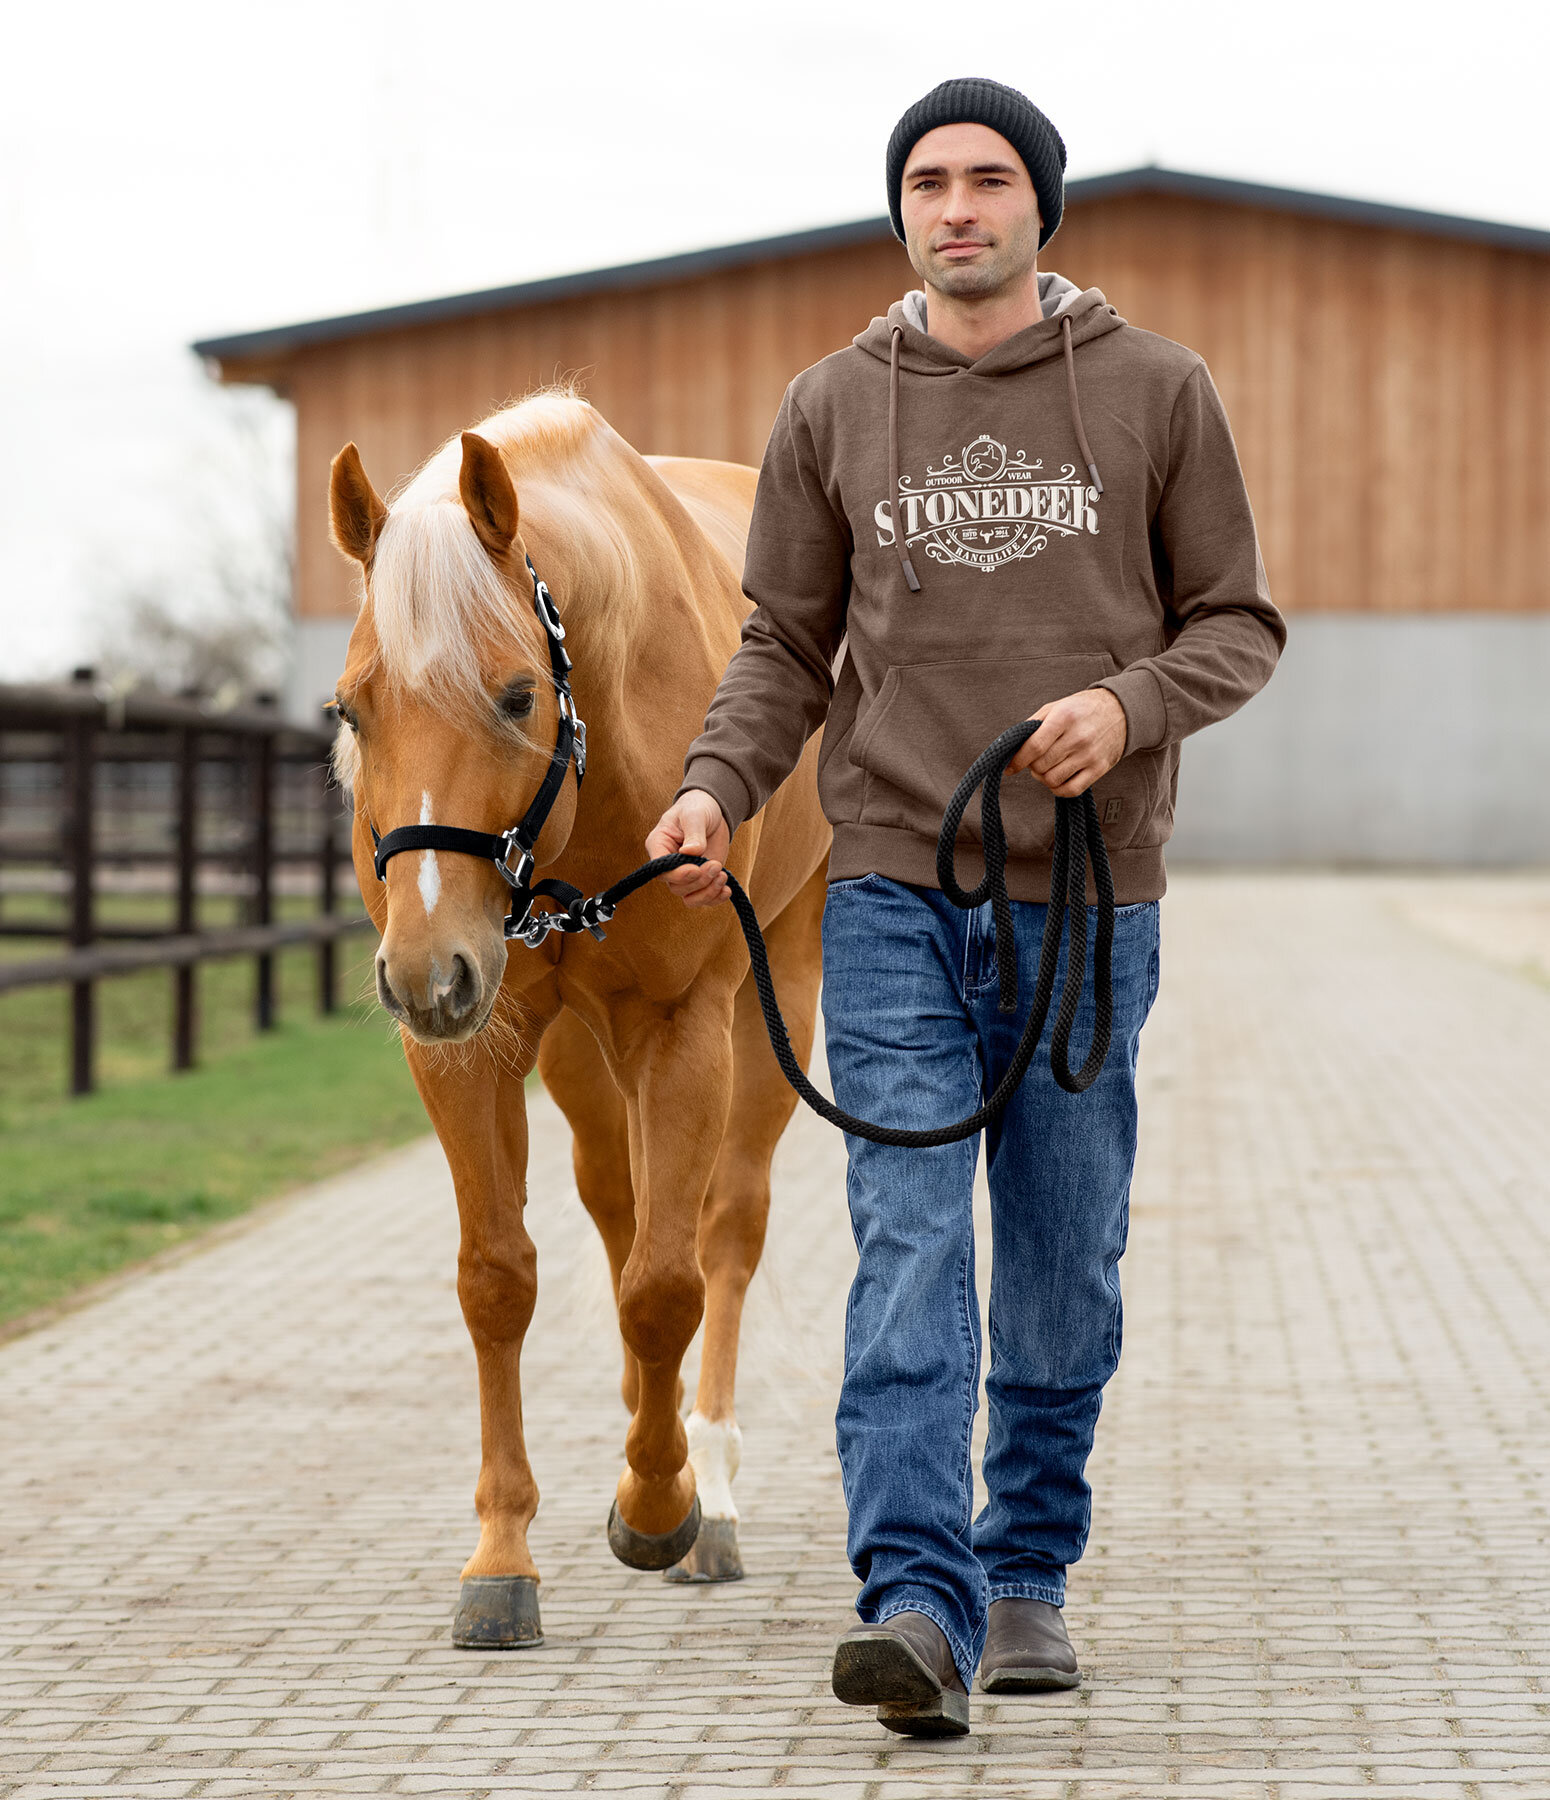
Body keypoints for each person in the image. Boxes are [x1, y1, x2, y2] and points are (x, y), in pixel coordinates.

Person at [645, 76, 1285, 1738]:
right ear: (900, 209)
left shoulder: (1154, 391)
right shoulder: (831, 405)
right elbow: (782, 644)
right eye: (926, 181)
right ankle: (914, 1604)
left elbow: (1236, 622)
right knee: (910, 1250)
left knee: (1063, 1258)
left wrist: (1130, 708)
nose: (954, 207)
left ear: (1039, 207)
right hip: (890, 892)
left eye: (987, 180)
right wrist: (717, 784)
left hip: (1085, 900)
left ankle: (1025, 1578)